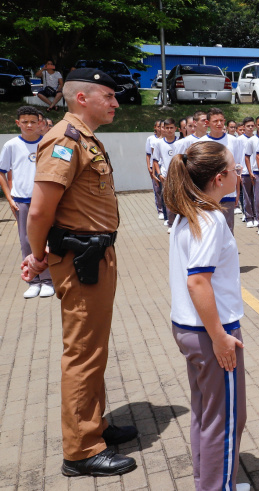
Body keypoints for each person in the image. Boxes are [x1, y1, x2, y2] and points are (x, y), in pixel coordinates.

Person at [22, 68, 138, 476]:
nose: (116, 102)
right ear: (82, 98)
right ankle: (81, 450)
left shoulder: (85, 140)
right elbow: (38, 211)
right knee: (83, 355)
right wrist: (37, 258)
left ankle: (96, 424)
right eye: (109, 95)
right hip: (81, 260)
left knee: (95, 349)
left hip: (96, 256)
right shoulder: (64, 141)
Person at [162, 140, 248, 490]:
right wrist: (220, 338)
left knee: (206, 413)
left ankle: (210, 480)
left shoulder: (189, 212)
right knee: (225, 419)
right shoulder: (209, 219)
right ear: (219, 177)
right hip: (211, 332)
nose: (239, 174)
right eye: (234, 169)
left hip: (188, 328)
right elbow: (198, 282)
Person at [0, 105, 54, 298]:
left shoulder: (48, 143)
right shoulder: (11, 145)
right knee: (26, 242)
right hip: (21, 201)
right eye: (25, 122)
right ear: (18, 123)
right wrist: (9, 197)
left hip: (45, 200)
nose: (29, 125)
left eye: (33, 121)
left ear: (40, 123)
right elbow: (2, 171)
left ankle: (48, 280)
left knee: (46, 240)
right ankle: (33, 280)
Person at [198, 109, 240, 233]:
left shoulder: (233, 141)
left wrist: (237, 190)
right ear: (207, 123)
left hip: (228, 193)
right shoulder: (201, 142)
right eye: (215, 121)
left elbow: (237, 167)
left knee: (228, 227)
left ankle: (228, 252)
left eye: (221, 121)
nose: (219, 124)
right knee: (209, 227)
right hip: (208, 192)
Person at [151, 118, 180, 231]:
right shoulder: (159, 143)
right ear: (163, 129)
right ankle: (171, 224)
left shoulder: (180, 142)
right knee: (169, 201)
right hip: (166, 176)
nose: (169, 130)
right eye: (167, 128)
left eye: (171, 128)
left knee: (179, 200)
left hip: (179, 176)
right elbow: (155, 160)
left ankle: (181, 223)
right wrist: (159, 174)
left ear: (175, 129)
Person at [238, 117, 257, 227]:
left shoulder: (257, 139)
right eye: (248, 126)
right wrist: (239, 172)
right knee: (247, 195)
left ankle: (256, 216)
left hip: (254, 171)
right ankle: (249, 216)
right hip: (244, 171)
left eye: (251, 126)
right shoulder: (240, 140)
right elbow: (239, 156)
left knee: (256, 196)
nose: (250, 128)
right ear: (243, 127)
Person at [145, 121, 165, 218]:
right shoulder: (151, 139)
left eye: (162, 127)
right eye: (158, 126)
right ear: (155, 127)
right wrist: (149, 167)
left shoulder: (167, 139)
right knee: (157, 189)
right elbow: (149, 155)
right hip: (155, 166)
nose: (160, 129)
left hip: (164, 166)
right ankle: (160, 210)